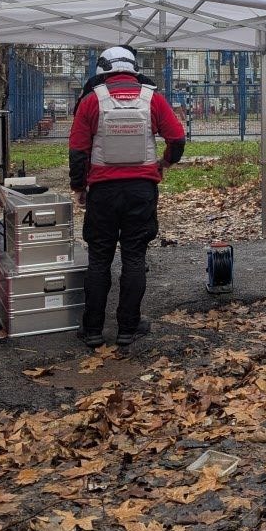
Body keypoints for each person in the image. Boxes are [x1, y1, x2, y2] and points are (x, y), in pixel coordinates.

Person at [68, 45, 185, 347]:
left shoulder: (91, 100)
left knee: (99, 259)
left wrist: (79, 188)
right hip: (141, 191)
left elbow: (78, 151)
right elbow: (177, 138)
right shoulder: (152, 98)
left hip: (103, 192)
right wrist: (165, 162)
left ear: (103, 69)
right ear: (133, 67)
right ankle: (128, 329)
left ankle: (92, 330)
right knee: (134, 256)